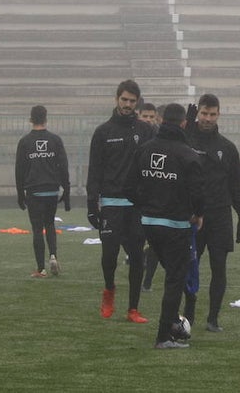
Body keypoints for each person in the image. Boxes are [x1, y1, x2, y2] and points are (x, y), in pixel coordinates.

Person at [123, 103, 204, 350]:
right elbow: (198, 193)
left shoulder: (144, 150)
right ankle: (164, 337)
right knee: (175, 280)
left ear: (160, 120)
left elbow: (128, 187)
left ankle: (173, 325)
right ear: (183, 124)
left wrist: (147, 205)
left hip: (149, 223)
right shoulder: (188, 154)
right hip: (176, 225)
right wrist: (197, 214)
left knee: (172, 274)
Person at [87, 79, 156, 323]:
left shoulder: (147, 131)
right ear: (117, 99)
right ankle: (109, 291)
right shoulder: (103, 132)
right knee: (109, 255)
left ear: (137, 103)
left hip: (136, 205)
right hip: (111, 203)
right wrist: (91, 204)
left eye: (132, 101)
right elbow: (94, 170)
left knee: (137, 257)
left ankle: (133, 309)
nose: (127, 105)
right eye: (124, 100)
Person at [182, 93, 240, 333]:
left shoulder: (227, 148)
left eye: (212, 114)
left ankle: (213, 318)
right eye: (203, 113)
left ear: (219, 114)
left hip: (220, 216)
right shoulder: (186, 140)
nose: (207, 118)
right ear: (197, 113)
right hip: (192, 216)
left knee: (219, 266)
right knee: (191, 266)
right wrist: (186, 130)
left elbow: (236, 184)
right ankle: (188, 314)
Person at [14, 105, 70, 278]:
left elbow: (19, 170)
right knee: (50, 224)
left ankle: (41, 269)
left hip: (34, 191)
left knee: (37, 228)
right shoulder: (55, 140)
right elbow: (63, 166)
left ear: (30, 119)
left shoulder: (24, 142)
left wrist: (19, 193)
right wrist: (66, 190)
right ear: (46, 119)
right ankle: (53, 256)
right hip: (51, 190)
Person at [138, 103, 164, 292]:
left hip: (155, 195)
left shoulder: (159, 138)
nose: (148, 120)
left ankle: (147, 281)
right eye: (145, 116)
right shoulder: (133, 134)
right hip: (136, 194)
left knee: (154, 240)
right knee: (132, 236)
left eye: (151, 117)